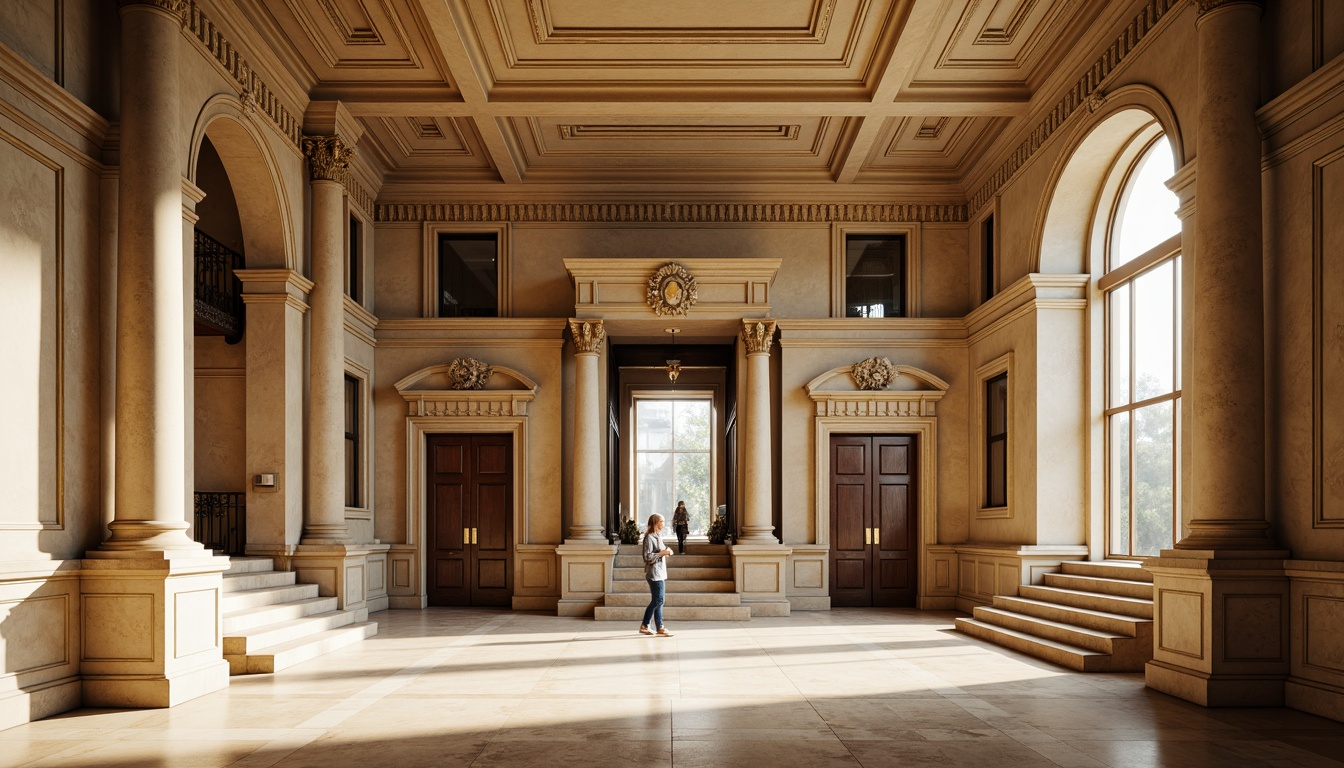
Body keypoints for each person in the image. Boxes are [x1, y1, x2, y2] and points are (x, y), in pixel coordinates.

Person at [640, 513, 674, 637]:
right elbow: (647, 556)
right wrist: (662, 553)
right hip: (654, 573)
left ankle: (660, 627)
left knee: (660, 601)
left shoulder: (658, 536)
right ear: (655, 523)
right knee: (658, 600)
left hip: (660, 572)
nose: (664, 524)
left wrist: (667, 551)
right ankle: (645, 625)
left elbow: (661, 550)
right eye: (662, 521)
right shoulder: (649, 538)